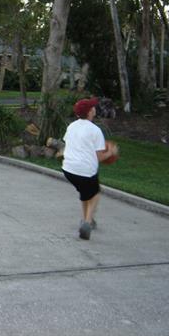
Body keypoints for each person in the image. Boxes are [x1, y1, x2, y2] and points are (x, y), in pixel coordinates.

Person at [62, 97, 118, 240]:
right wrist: (111, 152)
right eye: (93, 107)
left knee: (85, 192)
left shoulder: (71, 126)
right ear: (90, 112)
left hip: (68, 169)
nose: (94, 108)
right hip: (85, 171)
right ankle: (87, 223)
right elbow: (99, 158)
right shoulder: (95, 130)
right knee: (95, 193)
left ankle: (87, 219)